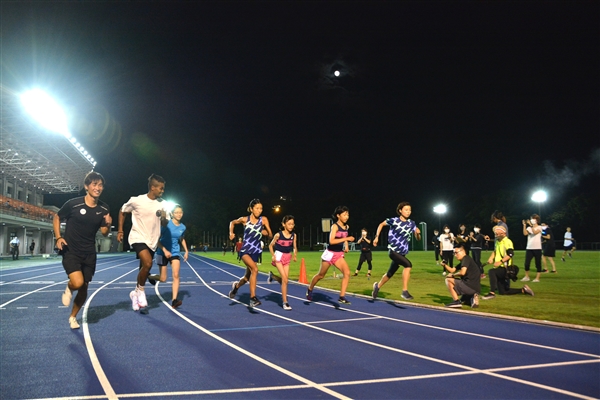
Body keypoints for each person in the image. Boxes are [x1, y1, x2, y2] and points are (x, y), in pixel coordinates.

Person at [54, 171, 111, 329]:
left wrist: (107, 224)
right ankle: (70, 286)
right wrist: (58, 237)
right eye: (94, 184)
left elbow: (105, 233)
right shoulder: (74, 204)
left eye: (100, 185)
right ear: (87, 186)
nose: (97, 187)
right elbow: (57, 217)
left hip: (89, 253)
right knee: (77, 283)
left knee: (84, 287)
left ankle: (73, 317)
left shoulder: (104, 208)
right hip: (71, 250)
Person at [118, 173, 169, 313]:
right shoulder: (136, 200)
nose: (162, 191)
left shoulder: (163, 204)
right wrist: (120, 230)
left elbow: (165, 224)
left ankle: (135, 294)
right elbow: (122, 211)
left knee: (144, 269)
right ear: (153, 187)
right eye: (161, 188)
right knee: (147, 263)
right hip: (137, 237)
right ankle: (140, 291)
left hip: (152, 240)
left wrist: (164, 217)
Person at [371, 202, 422, 301]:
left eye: (410, 210)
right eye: (406, 210)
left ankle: (377, 286)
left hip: (402, 253)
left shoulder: (412, 223)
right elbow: (381, 224)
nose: (408, 212)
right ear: (400, 211)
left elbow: (418, 238)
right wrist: (376, 237)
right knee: (408, 265)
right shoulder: (394, 221)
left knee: (390, 273)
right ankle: (404, 291)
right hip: (393, 251)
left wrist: (418, 234)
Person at [228, 199, 273, 308]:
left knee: (247, 278)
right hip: (245, 250)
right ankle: (253, 298)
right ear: (251, 209)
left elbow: (270, 235)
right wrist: (231, 232)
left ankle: (236, 287)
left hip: (256, 251)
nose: (259, 210)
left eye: (261, 208)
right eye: (257, 208)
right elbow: (232, 222)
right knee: (255, 269)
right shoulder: (244, 219)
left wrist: (263, 232)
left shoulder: (264, 220)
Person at [306, 206, 355, 304]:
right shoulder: (335, 226)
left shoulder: (346, 227)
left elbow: (344, 237)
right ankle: (310, 289)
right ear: (338, 215)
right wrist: (347, 239)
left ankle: (342, 296)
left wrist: (346, 246)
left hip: (338, 255)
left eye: (348, 214)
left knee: (347, 273)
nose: (346, 217)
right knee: (320, 275)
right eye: (344, 214)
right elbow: (331, 241)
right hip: (329, 254)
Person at [148, 205, 188, 309]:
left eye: (181, 212)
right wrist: (165, 250)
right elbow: (157, 239)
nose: (179, 214)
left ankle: (174, 300)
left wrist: (186, 251)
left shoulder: (183, 227)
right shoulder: (166, 224)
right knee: (163, 278)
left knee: (176, 275)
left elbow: (182, 238)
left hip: (174, 252)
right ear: (172, 214)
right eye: (177, 212)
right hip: (162, 252)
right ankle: (150, 276)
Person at [482, 225, 534, 299]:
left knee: (492, 272)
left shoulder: (507, 241)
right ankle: (523, 290)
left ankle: (491, 293)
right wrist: (491, 258)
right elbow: (495, 251)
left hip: (506, 267)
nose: (496, 235)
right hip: (500, 267)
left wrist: (500, 262)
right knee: (503, 292)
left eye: (497, 233)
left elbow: (510, 254)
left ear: (503, 234)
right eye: (495, 233)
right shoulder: (498, 242)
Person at [267, 215, 298, 310]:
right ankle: (285, 302)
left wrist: (295, 254)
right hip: (279, 256)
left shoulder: (294, 235)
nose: (291, 226)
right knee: (285, 279)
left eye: (292, 224)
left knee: (285, 280)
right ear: (284, 224)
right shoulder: (278, 235)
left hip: (287, 257)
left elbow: (294, 247)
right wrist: (273, 255)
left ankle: (272, 276)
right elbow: (270, 245)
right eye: (289, 224)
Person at [442, 243, 481, 308]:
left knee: (448, 280)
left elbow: (462, 272)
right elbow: (452, 270)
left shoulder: (465, 259)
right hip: (475, 287)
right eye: (454, 253)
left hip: (470, 286)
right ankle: (471, 297)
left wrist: (453, 276)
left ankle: (456, 301)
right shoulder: (466, 260)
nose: (455, 255)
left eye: (456, 253)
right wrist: (444, 265)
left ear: (463, 251)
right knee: (464, 300)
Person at [521, 214, 543, 282]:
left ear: (537, 220)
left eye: (534, 219)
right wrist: (524, 225)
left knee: (538, 263)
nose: (532, 220)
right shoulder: (529, 228)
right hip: (529, 248)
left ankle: (537, 278)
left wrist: (531, 225)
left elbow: (535, 232)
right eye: (531, 219)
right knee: (527, 263)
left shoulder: (539, 227)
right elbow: (525, 234)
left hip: (537, 248)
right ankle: (527, 276)